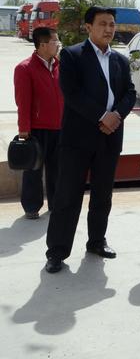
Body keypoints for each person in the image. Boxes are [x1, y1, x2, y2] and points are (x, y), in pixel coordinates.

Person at [44, 6, 136, 274]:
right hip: (78, 139)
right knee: (67, 197)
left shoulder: (121, 60)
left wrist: (116, 116)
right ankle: (57, 251)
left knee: (102, 195)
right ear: (88, 27)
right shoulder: (72, 55)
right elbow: (71, 93)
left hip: (110, 137)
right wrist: (102, 116)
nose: (108, 29)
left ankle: (96, 241)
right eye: (102, 24)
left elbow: (130, 93)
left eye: (112, 24)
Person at [13, 27, 63, 220]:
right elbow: (23, 102)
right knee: (33, 169)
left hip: (59, 127)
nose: (58, 44)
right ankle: (31, 207)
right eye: (55, 41)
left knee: (57, 169)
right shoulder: (25, 69)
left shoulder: (59, 66)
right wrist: (24, 130)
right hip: (36, 129)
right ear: (43, 45)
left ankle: (56, 204)